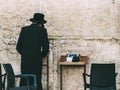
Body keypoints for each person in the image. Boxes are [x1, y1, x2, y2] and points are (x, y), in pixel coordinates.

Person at [16, 13, 49, 90]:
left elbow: (18, 47)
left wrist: (25, 54)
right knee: (36, 79)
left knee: (25, 78)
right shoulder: (42, 31)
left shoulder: (24, 29)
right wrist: (39, 56)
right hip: (36, 59)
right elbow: (46, 48)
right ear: (40, 23)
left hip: (25, 59)